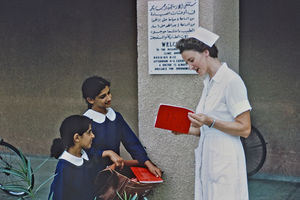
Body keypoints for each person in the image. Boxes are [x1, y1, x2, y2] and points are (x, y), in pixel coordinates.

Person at [175, 26, 251, 200]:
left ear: (206, 52)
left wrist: (210, 121)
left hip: (226, 160)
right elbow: (206, 129)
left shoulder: (231, 81)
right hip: (209, 159)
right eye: (186, 62)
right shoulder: (208, 83)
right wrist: (184, 129)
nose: (189, 66)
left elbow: (245, 129)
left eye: (191, 60)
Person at [81, 76, 162, 178]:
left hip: (114, 172)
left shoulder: (116, 117)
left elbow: (132, 142)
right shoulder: (84, 122)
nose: (109, 98)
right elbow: (83, 150)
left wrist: (147, 163)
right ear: (90, 100)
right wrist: (107, 153)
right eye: (103, 96)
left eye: (109, 93)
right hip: (91, 174)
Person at [48, 115, 97, 200]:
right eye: (89, 132)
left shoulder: (87, 157)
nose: (93, 136)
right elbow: (57, 196)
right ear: (77, 138)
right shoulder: (64, 169)